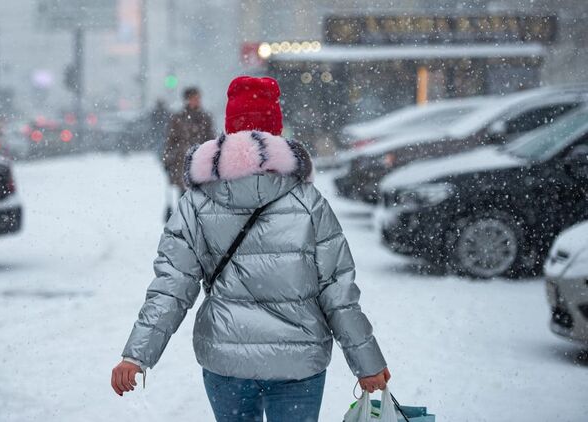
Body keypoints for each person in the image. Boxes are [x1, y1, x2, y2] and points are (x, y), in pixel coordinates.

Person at [112, 76, 390, 421]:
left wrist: (136, 355)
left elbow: (172, 286)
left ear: (229, 127)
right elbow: (337, 291)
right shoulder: (308, 201)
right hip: (298, 363)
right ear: (276, 128)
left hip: (227, 359)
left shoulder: (196, 202)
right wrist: (367, 362)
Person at [162, 87, 215, 190]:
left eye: (198, 98)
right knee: (184, 194)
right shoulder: (178, 118)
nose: (197, 101)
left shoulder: (205, 117)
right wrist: (167, 161)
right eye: (194, 98)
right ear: (187, 100)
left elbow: (211, 139)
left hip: (201, 162)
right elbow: (171, 141)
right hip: (182, 162)